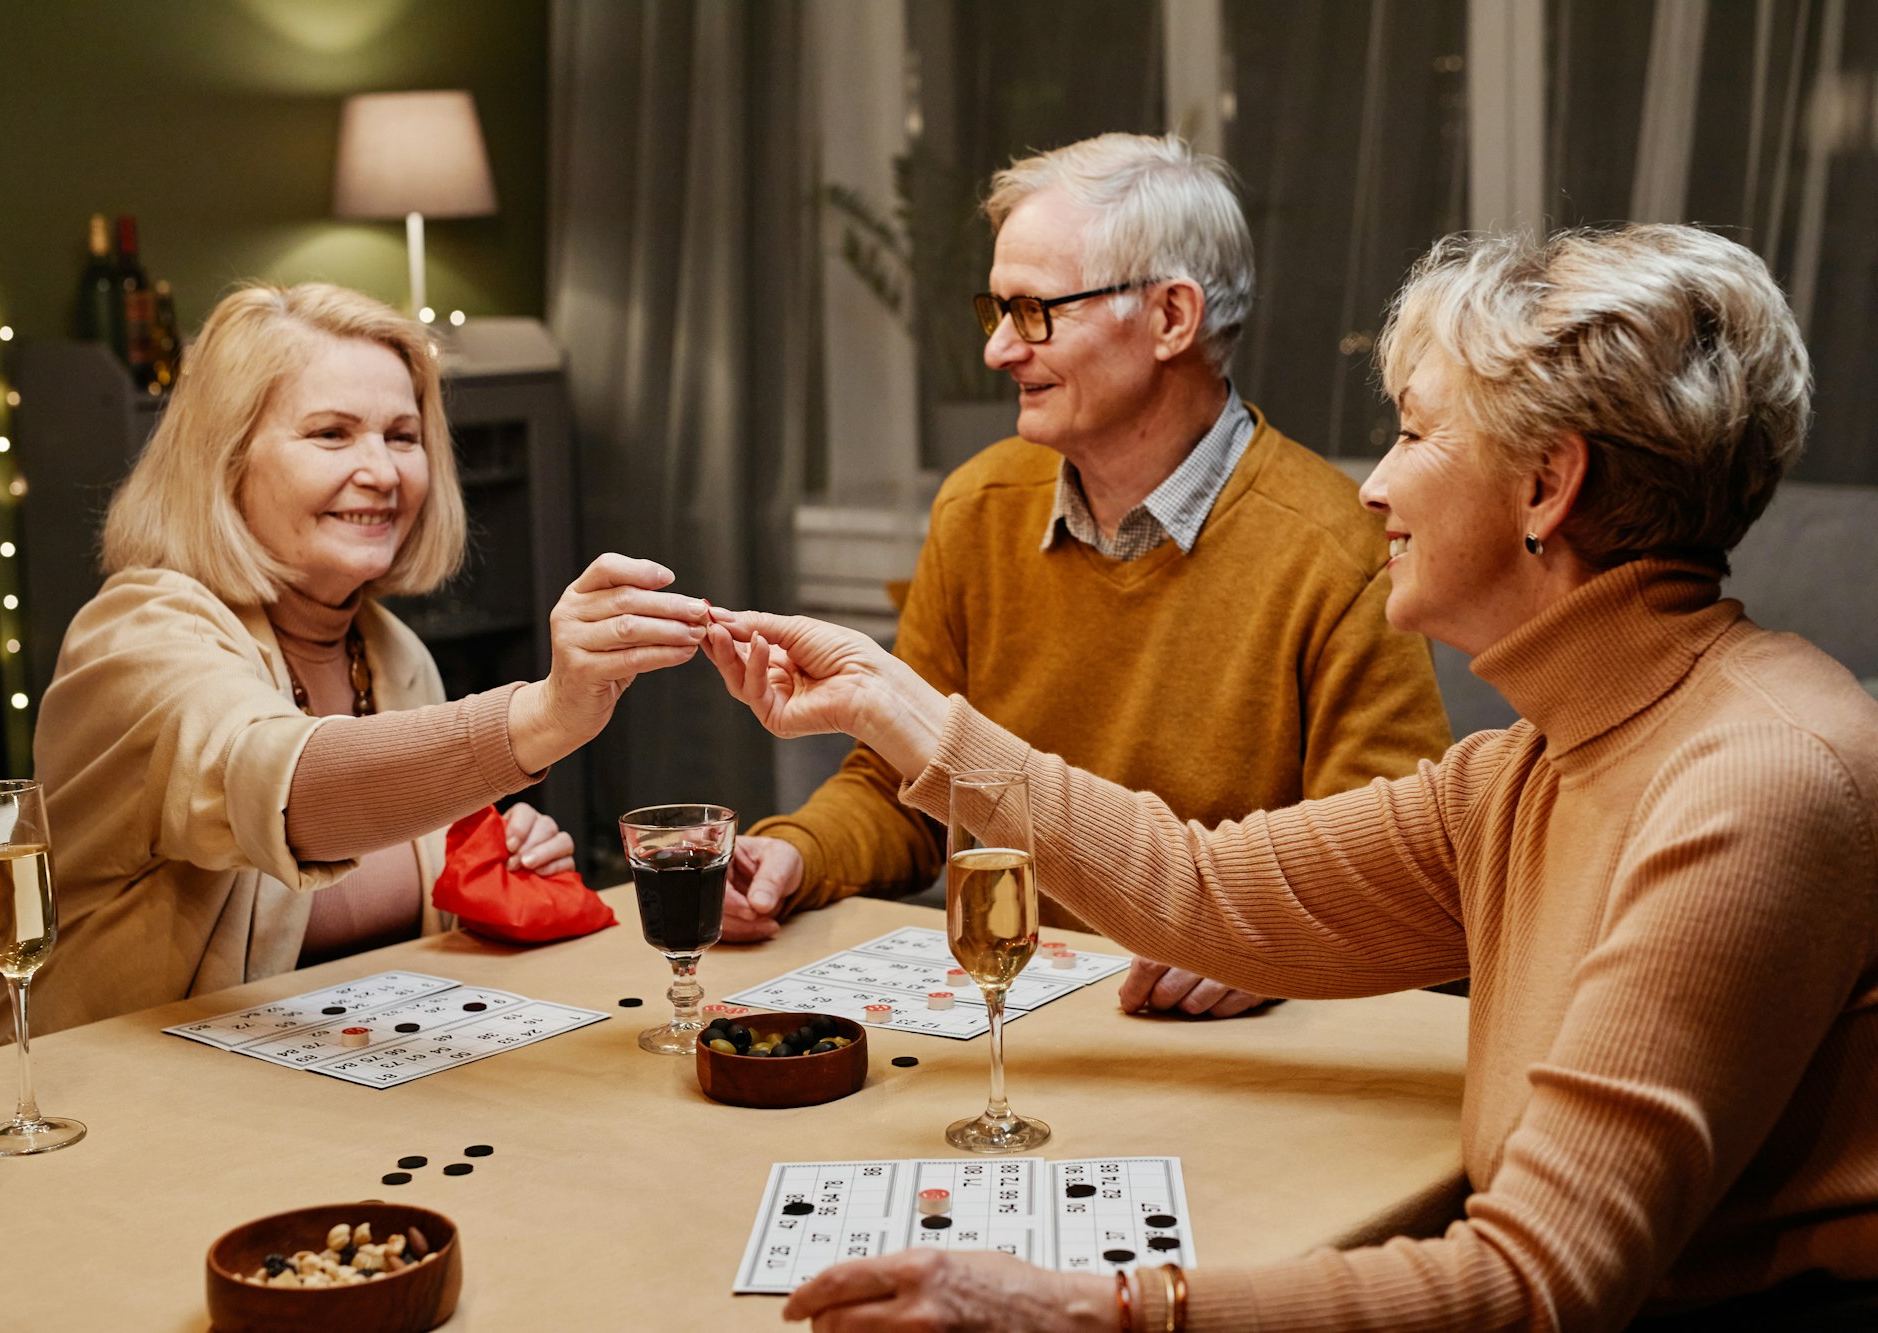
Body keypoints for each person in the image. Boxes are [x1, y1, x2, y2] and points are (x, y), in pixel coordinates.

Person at [706, 224, 1878, 1330]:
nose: (1373, 484)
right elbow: (1201, 888)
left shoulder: (1755, 781)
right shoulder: (1533, 763)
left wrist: (1090, 1308)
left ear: (1543, 488)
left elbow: (1535, 1287)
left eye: (1416, 435)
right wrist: (892, 703)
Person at [724, 133, 1452, 1020]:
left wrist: (1275, 945)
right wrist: (795, 853)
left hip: (1230, 1054)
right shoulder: (978, 506)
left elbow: (1391, 873)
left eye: (1033, 311)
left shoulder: (1339, 547)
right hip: (1018, 1022)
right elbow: (901, 789)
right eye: (994, 311)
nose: (998, 351)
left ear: (1172, 319)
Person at [0, 283, 706, 1057]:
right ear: (227, 458)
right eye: (332, 434)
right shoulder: (137, 634)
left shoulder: (391, 651)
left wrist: (487, 864)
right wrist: (543, 716)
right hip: (70, 1103)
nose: (381, 471)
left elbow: (379, 911)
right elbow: (286, 789)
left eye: (402, 435)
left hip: (285, 1088)